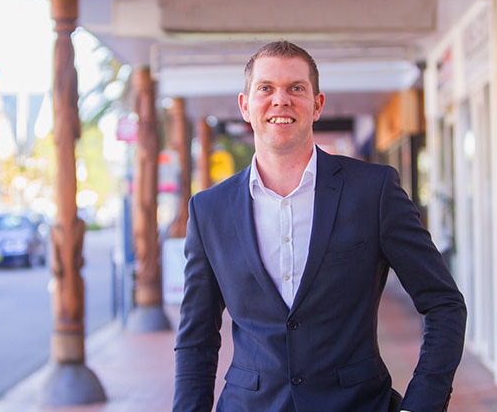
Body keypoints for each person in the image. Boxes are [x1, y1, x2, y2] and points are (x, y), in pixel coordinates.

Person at [172, 40, 467, 412]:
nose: (281, 100)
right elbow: (197, 338)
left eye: (296, 88)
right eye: (266, 88)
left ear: (317, 105)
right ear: (245, 107)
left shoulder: (373, 191)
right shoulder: (209, 210)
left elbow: (444, 304)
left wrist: (422, 404)